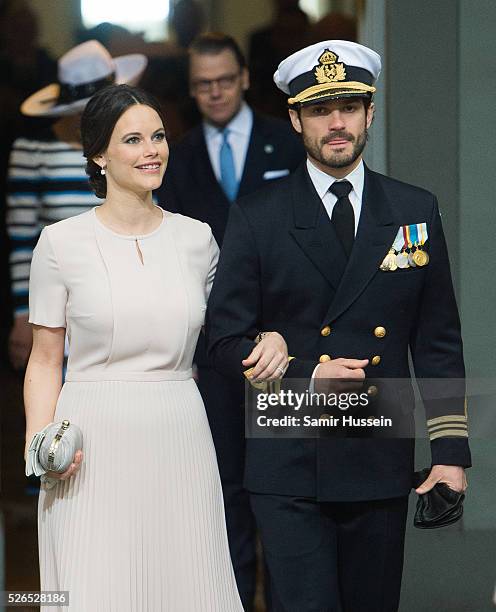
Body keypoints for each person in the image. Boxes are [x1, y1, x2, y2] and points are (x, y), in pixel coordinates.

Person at [206, 40, 471, 611]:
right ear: (296, 118)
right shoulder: (259, 215)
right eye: (321, 110)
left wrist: (450, 451)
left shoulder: (413, 210)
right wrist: (304, 375)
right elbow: (223, 342)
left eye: (349, 107)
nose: (336, 123)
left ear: (369, 113)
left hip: (377, 449)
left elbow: (438, 342)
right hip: (288, 456)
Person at [25, 83, 288, 611]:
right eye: (133, 140)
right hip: (88, 442)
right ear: (98, 154)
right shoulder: (59, 243)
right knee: (94, 587)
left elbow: (226, 335)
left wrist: (270, 339)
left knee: (187, 585)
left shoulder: (198, 239)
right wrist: (40, 446)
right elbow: (45, 358)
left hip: (180, 430)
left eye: (159, 136)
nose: (152, 150)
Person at [156, 32, 304, 609]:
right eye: (201, 84)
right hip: (213, 353)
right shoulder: (176, 156)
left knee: (289, 497)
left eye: (223, 79)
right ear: (191, 90)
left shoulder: (287, 143)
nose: (213, 92)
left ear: (244, 78)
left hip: (289, 353)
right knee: (225, 497)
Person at [7, 39, 147, 370]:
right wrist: (21, 316)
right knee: (67, 415)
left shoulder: (128, 147)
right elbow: (22, 240)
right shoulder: (32, 150)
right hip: (63, 309)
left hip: (131, 302)